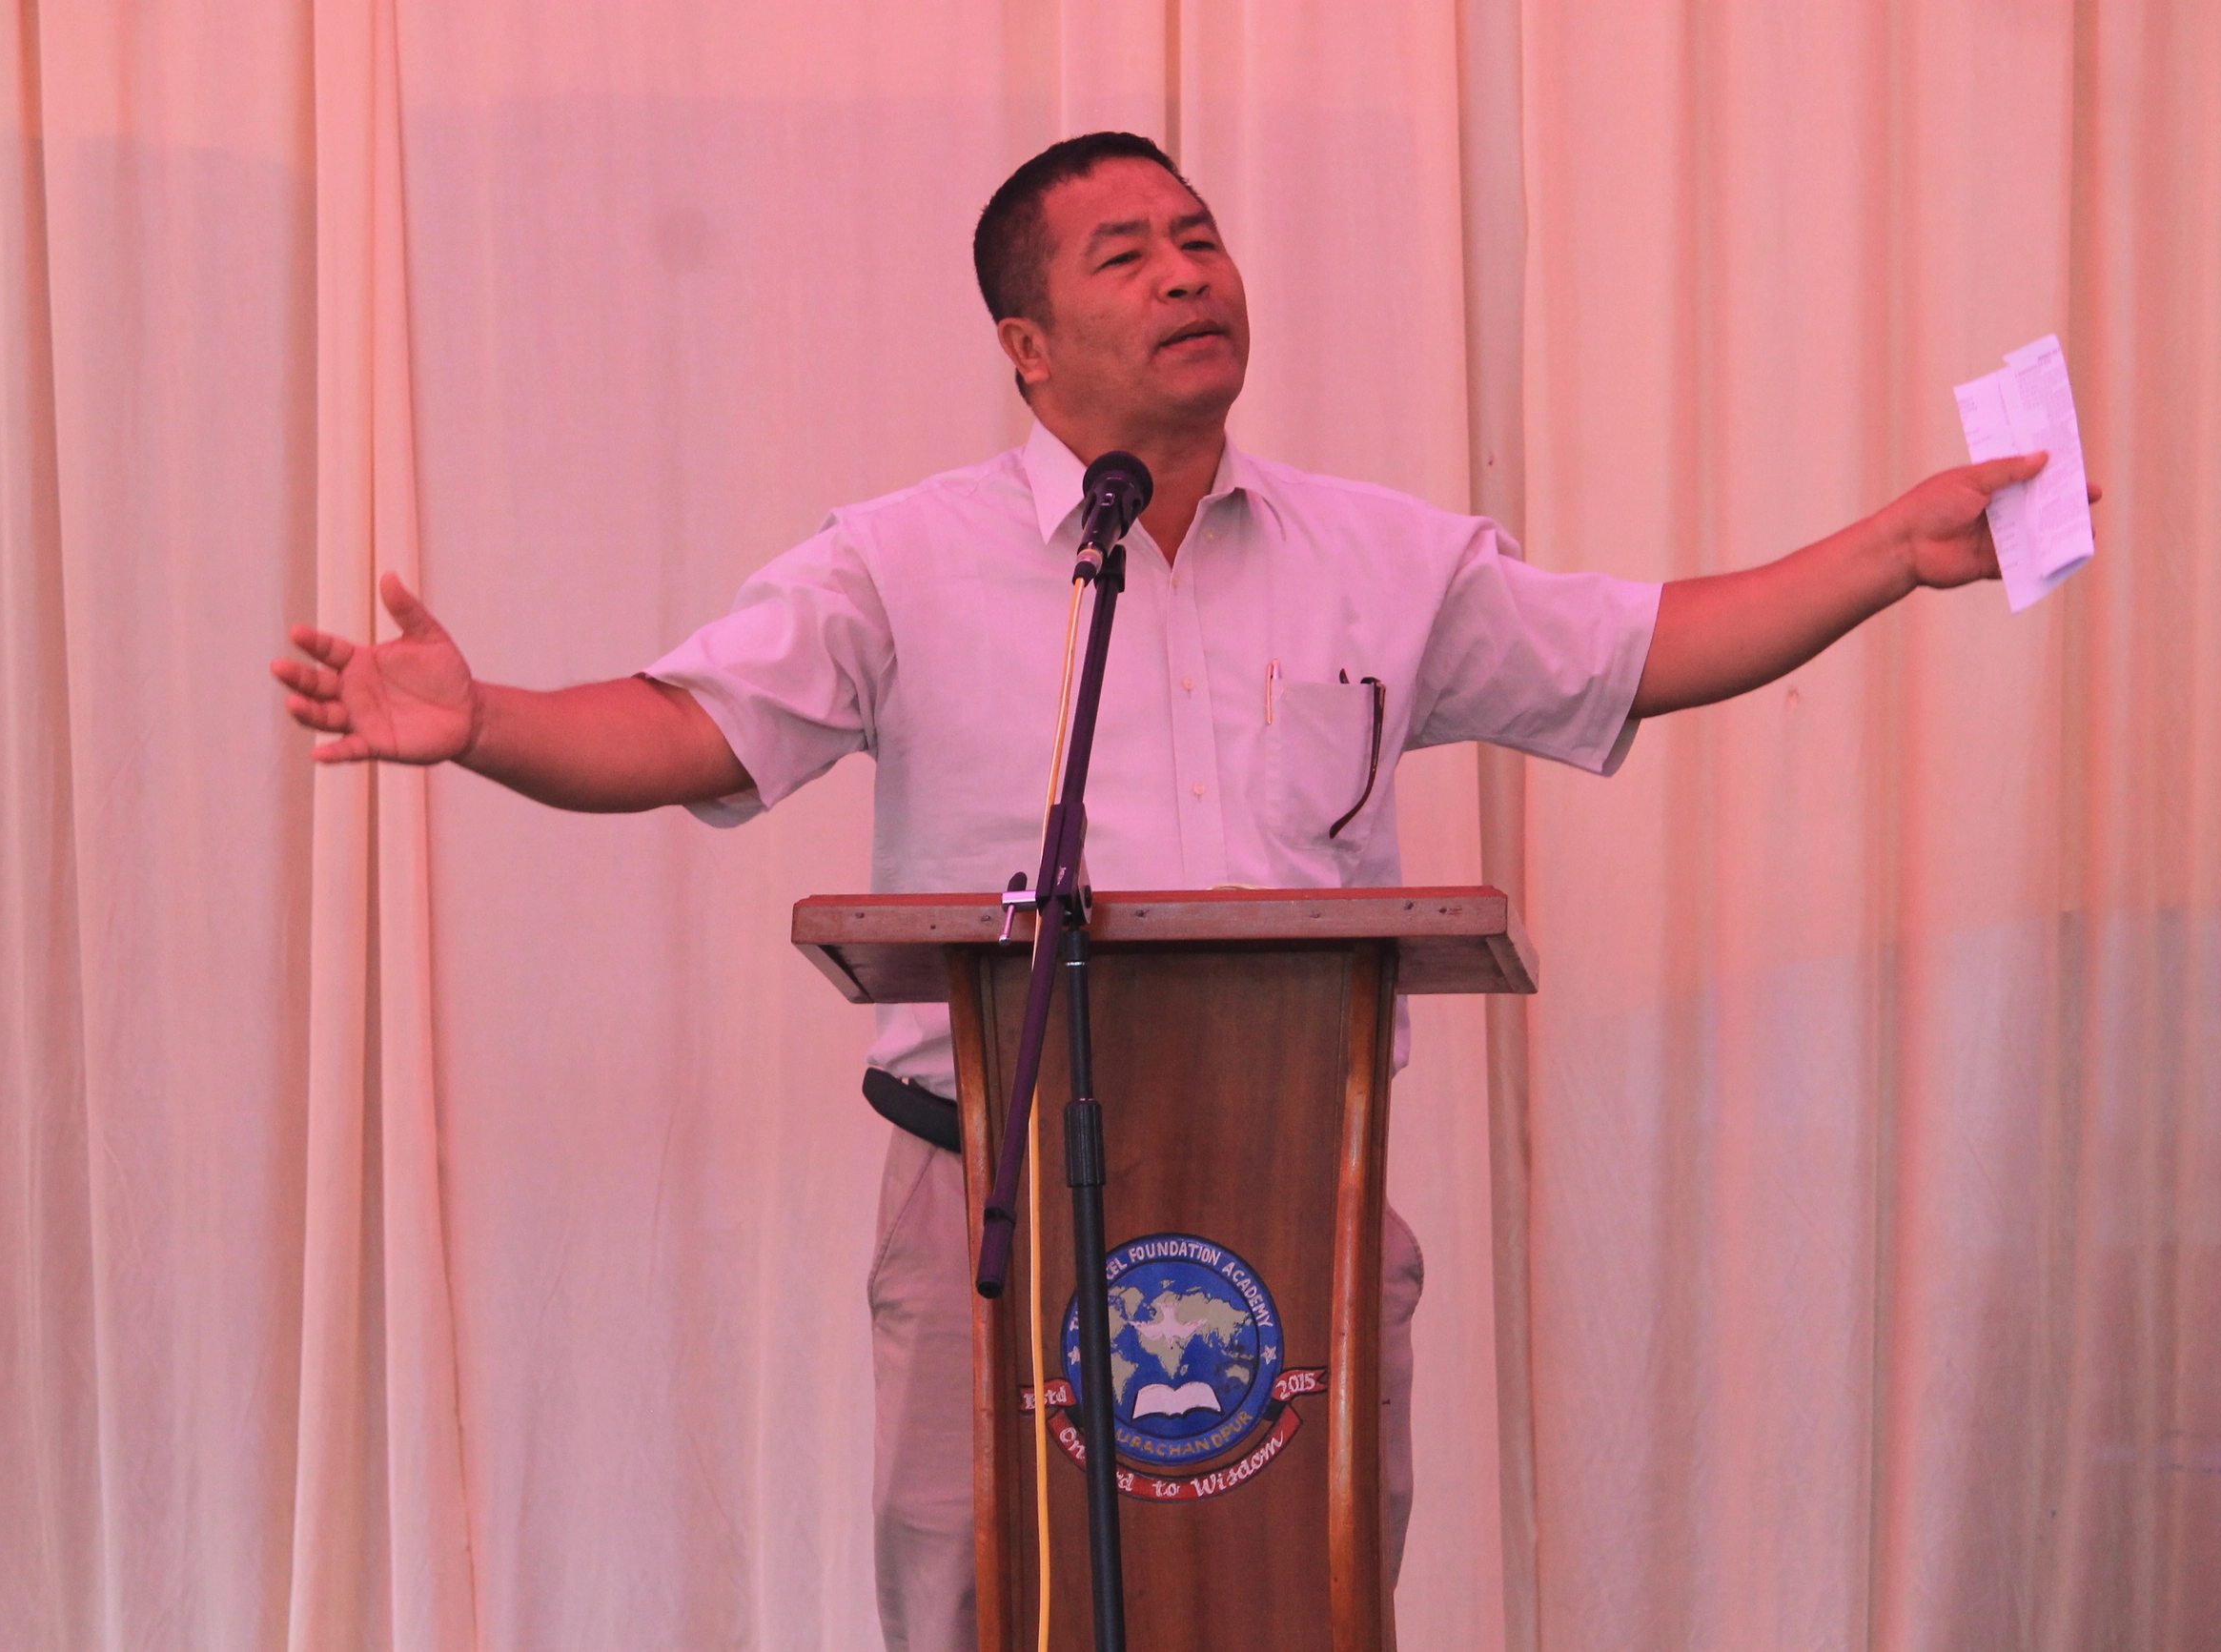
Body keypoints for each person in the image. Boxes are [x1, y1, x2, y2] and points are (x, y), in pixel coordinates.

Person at [272, 131, 2088, 1652]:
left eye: (1200, 238)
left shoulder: (1381, 558)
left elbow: (1639, 649)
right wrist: (486, 722)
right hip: (989, 1199)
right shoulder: (901, 564)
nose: (1187, 272)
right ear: (1026, 344)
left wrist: (1886, 552)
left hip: (1290, 1200)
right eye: (1127, 253)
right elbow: (690, 729)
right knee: (981, 1607)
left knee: (1299, 1609)